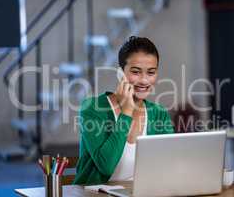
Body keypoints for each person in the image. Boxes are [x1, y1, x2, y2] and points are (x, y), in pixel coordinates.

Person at [73, 36, 174, 185]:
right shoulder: (92, 109)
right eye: (136, 72)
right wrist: (126, 112)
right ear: (121, 73)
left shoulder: (159, 114)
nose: (144, 80)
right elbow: (106, 166)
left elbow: (169, 165)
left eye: (151, 72)